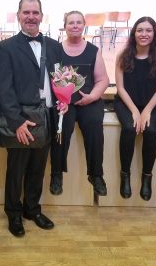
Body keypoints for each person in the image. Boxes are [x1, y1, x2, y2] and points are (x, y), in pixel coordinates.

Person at [0, 0, 64, 238]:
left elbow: (60, 79)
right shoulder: (5, 48)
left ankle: (31, 209)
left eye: (35, 12)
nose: (31, 17)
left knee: (38, 168)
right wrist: (16, 122)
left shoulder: (55, 46)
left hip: (47, 115)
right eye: (26, 12)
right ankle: (13, 212)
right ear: (18, 15)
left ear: (42, 16)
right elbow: (5, 88)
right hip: (22, 117)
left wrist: (63, 101)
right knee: (16, 170)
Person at [49, 11, 109, 196]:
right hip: (63, 103)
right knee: (60, 129)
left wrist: (92, 97)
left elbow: (103, 80)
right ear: (65, 26)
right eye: (70, 23)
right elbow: (53, 78)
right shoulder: (56, 50)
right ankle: (57, 173)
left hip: (89, 101)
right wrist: (61, 99)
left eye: (78, 22)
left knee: (94, 127)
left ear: (83, 25)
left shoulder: (93, 50)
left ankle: (96, 174)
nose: (74, 26)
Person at [114, 17, 156, 201]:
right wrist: (135, 111)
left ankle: (147, 176)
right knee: (129, 129)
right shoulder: (123, 54)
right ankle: (125, 175)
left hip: (152, 103)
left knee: (151, 131)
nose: (144, 34)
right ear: (134, 33)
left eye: (148, 30)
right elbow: (120, 88)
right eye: (140, 30)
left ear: (154, 33)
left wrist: (146, 111)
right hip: (126, 102)